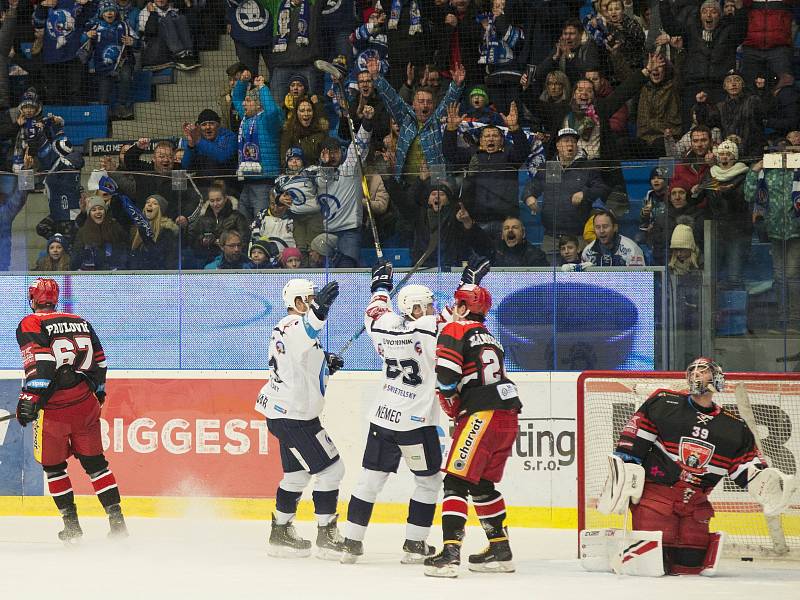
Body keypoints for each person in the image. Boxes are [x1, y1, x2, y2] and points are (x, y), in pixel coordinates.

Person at [341, 258, 487, 564]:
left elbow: (375, 308)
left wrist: (381, 283)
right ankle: (414, 545)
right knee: (429, 481)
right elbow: (458, 310)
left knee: (369, 480)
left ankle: (350, 543)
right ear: (418, 310)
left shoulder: (383, 325)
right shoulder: (428, 329)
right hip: (415, 423)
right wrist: (468, 282)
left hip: (382, 417)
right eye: (429, 306)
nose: (433, 309)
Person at [599, 357, 795, 575]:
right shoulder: (664, 403)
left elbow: (749, 472)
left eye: (703, 371)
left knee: (690, 569)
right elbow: (629, 447)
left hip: (696, 508)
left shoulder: (733, 428)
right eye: (692, 371)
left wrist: (770, 487)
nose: (696, 375)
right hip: (656, 501)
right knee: (649, 569)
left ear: (717, 378)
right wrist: (620, 485)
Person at [16, 278, 128, 543]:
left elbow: (41, 366)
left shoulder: (31, 323)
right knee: (97, 465)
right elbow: (100, 362)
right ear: (56, 298)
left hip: (54, 410)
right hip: (85, 403)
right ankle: (118, 523)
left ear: (33, 299)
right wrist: (98, 394)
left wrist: (30, 397)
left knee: (54, 468)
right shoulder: (81, 321)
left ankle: (72, 527)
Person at [425, 277, 523, 578]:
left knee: (455, 481)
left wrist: (450, 402)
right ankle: (500, 550)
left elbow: (446, 374)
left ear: (465, 308)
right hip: (508, 414)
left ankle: (450, 553)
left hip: (482, 414)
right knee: (481, 484)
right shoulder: (491, 337)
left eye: (457, 303)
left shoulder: (456, 328)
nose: (453, 308)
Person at [255, 279, 347, 559]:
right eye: (307, 298)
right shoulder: (295, 325)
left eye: (313, 298)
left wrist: (324, 362)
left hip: (284, 413)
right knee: (332, 471)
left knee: (295, 476)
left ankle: (280, 533)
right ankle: (326, 535)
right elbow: (310, 326)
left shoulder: (288, 329)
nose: (311, 302)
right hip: (295, 418)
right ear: (295, 302)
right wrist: (320, 309)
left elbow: (298, 359)